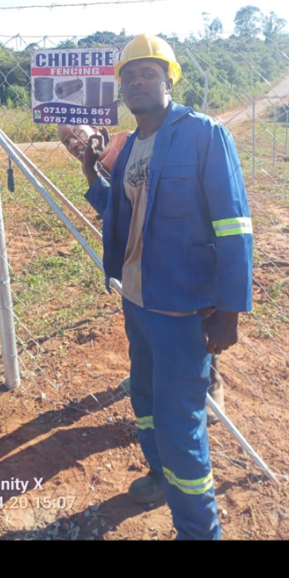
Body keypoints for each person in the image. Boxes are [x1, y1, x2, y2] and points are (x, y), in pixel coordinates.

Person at [81, 35, 253, 540]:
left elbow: (234, 226)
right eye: (129, 77)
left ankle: (199, 531)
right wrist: (91, 169)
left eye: (148, 74)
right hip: (137, 300)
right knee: (146, 401)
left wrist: (229, 310)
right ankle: (159, 475)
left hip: (182, 311)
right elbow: (122, 218)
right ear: (122, 90)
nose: (137, 82)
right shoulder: (131, 146)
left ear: (168, 80)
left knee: (182, 425)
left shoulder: (204, 135)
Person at [58, 122, 226, 435]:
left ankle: (210, 389)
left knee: (193, 318)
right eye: (66, 141)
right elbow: (114, 210)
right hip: (145, 262)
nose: (73, 143)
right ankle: (148, 379)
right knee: (146, 324)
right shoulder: (100, 162)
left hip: (183, 250)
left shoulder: (129, 146)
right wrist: (90, 171)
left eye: (76, 133)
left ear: (96, 126)